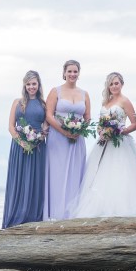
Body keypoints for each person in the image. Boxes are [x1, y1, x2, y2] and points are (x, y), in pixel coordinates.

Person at [67, 72, 136, 219]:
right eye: (111, 84)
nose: (114, 86)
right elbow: (100, 124)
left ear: (121, 84)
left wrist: (120, 130)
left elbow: (135, 123)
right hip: (104, 143)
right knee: (103, 175)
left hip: (120, 144)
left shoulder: (125, 101)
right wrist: (101, 131)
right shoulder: (106, 102)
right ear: (108, 86)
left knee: (121, 175)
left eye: (116, 83)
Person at [44, 59, 91, 219]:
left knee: (75, 174)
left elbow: (88, 117)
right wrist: (63, 131)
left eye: (75, 71)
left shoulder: (84, 94)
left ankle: (73, 215)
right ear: (64, 73)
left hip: (77, 139)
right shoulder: (55, 91)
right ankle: (56, 215)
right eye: (69, 71)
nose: (72, 74)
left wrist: (80, 129)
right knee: (57, 175)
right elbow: (49, 116)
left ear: (79, 73)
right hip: (57, 139)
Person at [1, 70, 48, 228]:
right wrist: (21, 142)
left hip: (38, 147)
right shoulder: (17, 102)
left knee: (36, 180)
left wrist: (39, 137)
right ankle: (15, 218)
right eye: (28, 84)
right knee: (19, 181)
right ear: (24, 85)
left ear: (38, 84)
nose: (31, 87)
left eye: (34, 84)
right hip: (19, 147)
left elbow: (46, 126)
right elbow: (11, 127)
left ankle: (33, 218)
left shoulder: (43, 104)